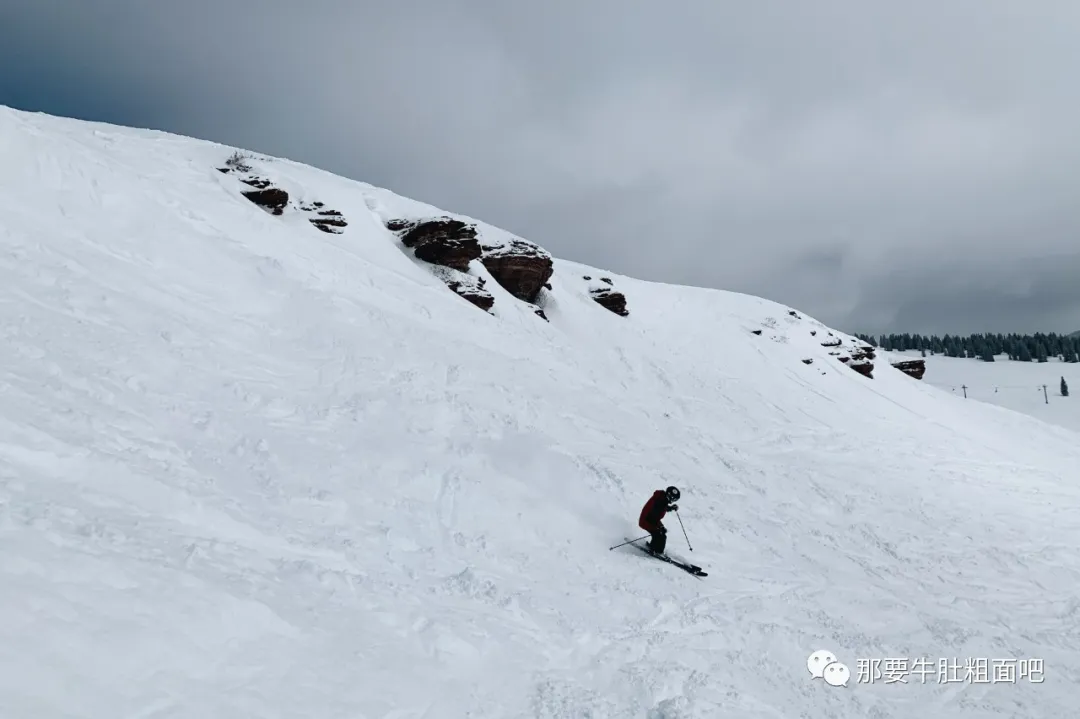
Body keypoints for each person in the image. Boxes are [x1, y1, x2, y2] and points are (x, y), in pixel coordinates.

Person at [638, 486, 680, 555]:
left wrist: (671, 508)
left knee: (662, 534)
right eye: (673, 499)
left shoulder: (662, 498)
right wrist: (659, 527)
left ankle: (657, 549)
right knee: (658, 534)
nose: (673, 501)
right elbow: (659, 508)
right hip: (646, 520)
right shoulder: (660, 499)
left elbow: (663, 507)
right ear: (669, 496)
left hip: (652, 520)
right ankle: (655, 550)